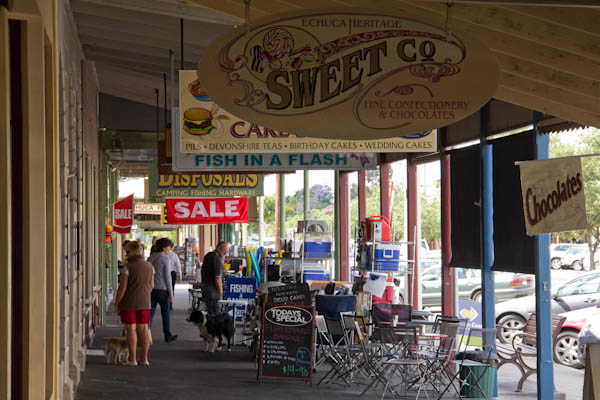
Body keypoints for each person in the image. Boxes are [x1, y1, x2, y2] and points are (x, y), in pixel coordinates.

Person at [114, 240, 154, 366]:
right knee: (144, 329)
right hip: (145, 302)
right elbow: (152, 286)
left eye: (126, 252)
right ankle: (144, 359)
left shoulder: (127, 267)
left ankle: (132, 359)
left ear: (130, 252)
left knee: (131, 329)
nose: (126, 255)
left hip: (129, 303)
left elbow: (122, 289)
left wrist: (117, 304)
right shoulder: (149, 266)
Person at [148, 238, 178, 342]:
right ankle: (167, 335)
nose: (170, 249)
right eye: (169, 247)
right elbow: (167, 277)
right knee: (166, 313)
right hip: (163, 290)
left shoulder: (151, 258)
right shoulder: (166, 259)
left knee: (150, 313)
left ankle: (145, 334)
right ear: (164, 247)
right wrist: (171, 293)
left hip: (151, 289)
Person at [201, 241, 230, 314]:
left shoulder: (208, 255)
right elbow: (218, 278)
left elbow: (202, 271)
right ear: (222, 248)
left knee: (209, 312)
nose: (226, 252)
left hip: (205, 287)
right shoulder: (216, 259)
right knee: (215, 314)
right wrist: (220, 291)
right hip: (212, 290)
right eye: (226, 250)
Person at [166, 244, 182, 310]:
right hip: (172, 273)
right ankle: (170, 305)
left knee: (165, 288)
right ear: (172, 247)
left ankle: (165, 303)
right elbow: (178, 265)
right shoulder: (174, 255)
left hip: (164, 273)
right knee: (171, 288)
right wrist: (180, 276)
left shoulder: (163, 254)